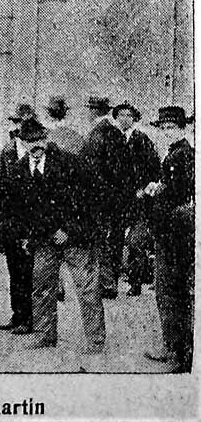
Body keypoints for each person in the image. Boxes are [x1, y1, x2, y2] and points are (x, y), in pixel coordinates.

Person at [7, 117, 105, 354]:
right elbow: (20, 209)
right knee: (41, 288)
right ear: (22, 142)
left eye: (39, 139)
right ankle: (45, 335)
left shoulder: (69, 162)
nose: (36, 145)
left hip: (75, 238)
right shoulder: (19, 170)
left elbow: (87, 200)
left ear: (46, 138)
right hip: (43, 241)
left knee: (87, 288)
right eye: (30, 141)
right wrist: (27, 236)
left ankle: (95, 341)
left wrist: (68, 230)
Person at [144, 106, 194, 373]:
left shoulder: (183, 154)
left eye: (171, 128)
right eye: (163, 128)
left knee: (171, 292)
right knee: (165, 291)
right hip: (166, 232)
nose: (166, 132)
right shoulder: (173, 154)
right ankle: (170, 346)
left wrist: (158, 191)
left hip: (174, 235)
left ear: (182, 129)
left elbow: (180, 194)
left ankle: (178, 353)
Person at [0, 103, 37, 334]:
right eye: (19, 123)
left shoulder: (39, 150)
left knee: (29, 271)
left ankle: (30, 317)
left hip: (31, 223)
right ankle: (17, 314)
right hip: (11, 223)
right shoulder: (7, 152)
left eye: (27, 122)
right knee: (14, 270)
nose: (22, 127)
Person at [80, 96, 130, 299]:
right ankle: (109, 281)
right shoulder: (114, 133)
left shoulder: (97, 134)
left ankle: (107, 283)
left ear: (92, 111)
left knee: (100, 239)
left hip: (99, 198)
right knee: (109, 239)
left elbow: (94, 170)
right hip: (112, 197)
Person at [110, 102, 161, 297]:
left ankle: (135, 282)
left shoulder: (142, 140)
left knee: (135, 242)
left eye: (128, 115)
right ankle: (111, 282)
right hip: (117, 200)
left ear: (134, 118)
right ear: (116, 117)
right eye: (121, 115)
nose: (124, 118)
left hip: (138, 200)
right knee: (113, 240)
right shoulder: (112, 139)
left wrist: (143, 189)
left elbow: (154, 169)